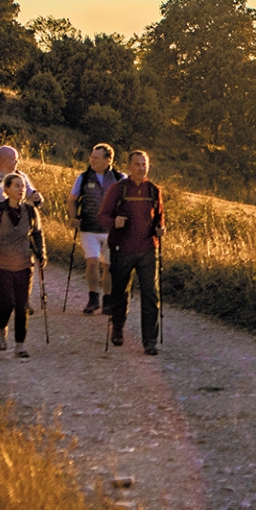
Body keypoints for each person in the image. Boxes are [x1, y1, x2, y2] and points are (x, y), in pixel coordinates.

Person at [97, 149, 164, 355]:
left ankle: (150, 341)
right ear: (129, 166)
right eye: (137, 164)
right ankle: (117, 328)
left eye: (144, 164)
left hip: (148, 249)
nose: (141, 168)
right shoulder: (118, 189)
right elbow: (103, 216)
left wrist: (161, 229)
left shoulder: (153, 190)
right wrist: (114, 222)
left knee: (150, 295)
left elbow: (159, 217)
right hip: (122, 248)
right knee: (119, 292)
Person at [0, 172, 47, 358]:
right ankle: (1, 331)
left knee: (22, 305)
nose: (21, 189)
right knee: (7, 301)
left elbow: (37, 234)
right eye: (16, 186)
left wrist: (41, 254)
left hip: (25, 264)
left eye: (23, 186)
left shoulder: (31, 212)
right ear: (6, 189)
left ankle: (20, 345)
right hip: (1, 263)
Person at [68, 143, 125, 314]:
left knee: (108, 266)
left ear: (108, 160)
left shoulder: (119, 178)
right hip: (89, 228)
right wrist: (73, 218)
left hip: (111, 230)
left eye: (96, 158)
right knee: (92, 263)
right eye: (91, 157)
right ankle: (93, 299)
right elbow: (72, 199)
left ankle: (107, 300)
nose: (92, 160)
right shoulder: (84, 177)